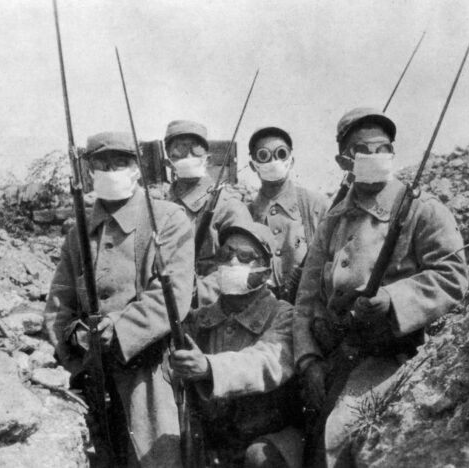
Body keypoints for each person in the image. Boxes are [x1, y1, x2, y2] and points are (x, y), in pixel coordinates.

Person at [292, 108, 469, 467]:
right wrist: (308, 358)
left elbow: (452, 275)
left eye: (383, 147)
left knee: (337, 435)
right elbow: (306, 299)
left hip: (389, 353)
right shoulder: (334, 218)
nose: (375, 157)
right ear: (344, 160)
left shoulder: (422, 209)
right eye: (363, 150)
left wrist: (392, 298)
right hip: (334, 350)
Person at [43, 132, 194, 468]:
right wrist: (74, 346)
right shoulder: (79, 233)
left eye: (120, 163)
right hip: (92, 372)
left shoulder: (167, 219)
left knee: (156, 458)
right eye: (102, 164)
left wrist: (117, 328)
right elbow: (58, 303)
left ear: (136, 168)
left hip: (150, 369)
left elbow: (173, 296)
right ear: (89, 172)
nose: (111, 171)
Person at [170, 221, 303, 468]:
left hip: (270, 438)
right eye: (226, 254)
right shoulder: (200, 319)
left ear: (265, 271)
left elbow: (266, 361)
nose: (232, 263)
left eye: (245, 257)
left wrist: (210, 368)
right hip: (216, 442)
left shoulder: (283, 315)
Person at [163, 120, 252, 306]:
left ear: (208, 158)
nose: (187, 154)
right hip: (162, 306)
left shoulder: (229, 206)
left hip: (212, 308)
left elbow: (243, 267)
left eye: (195, 149)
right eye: (179, 149)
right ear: (168, 161)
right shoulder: (158, 205)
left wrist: (195, 292)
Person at [247, 126, 329, 303]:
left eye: (281, 153)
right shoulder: (246, 213)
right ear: (253, 165)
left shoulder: (316, 204)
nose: (274, 160)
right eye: (264, 155)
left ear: (291, 161)